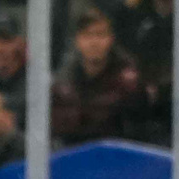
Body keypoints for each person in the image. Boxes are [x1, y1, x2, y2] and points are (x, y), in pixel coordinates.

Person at [49, 10, 148, 146]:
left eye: (100, 35)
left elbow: (137, 133)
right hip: (73, 152)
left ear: (111, 39)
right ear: (77, 40)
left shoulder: (129, 84)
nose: (94, 42)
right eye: (87, 35)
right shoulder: (63, 83)